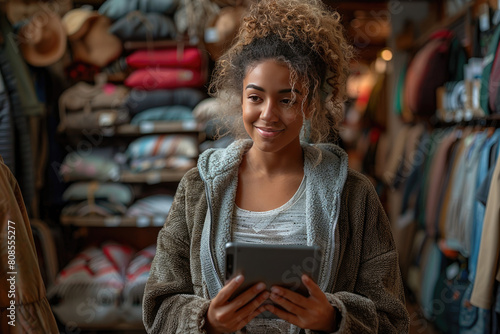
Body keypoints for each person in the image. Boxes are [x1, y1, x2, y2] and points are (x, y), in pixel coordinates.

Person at [143, 0, 410, 332]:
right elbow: (158, 305)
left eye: (287, 99)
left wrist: (333, 318)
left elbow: (392, 318)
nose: (268, 114)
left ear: (310, 104)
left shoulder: (354, 194)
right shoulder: (197, 188)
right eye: (255, 97)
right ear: (240, 99)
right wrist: (206, 321)